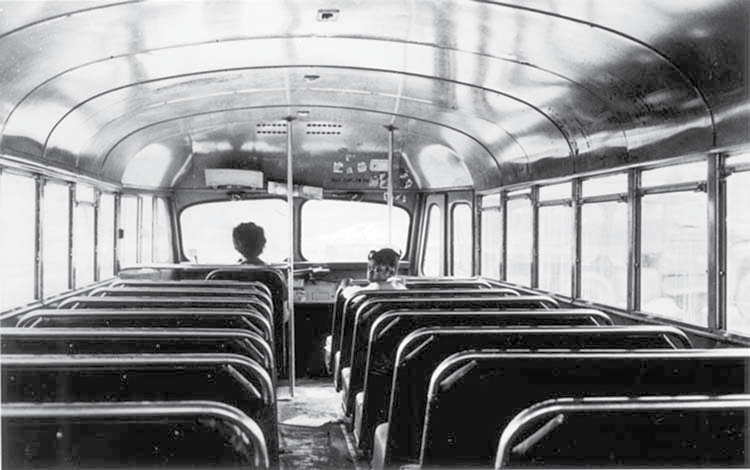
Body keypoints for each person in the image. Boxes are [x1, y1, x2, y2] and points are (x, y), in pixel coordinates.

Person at [340, 247, 406, 298]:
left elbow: (353, 294)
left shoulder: (376, 288)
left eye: (376, 270)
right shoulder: (399, 286)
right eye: (369, 268)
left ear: (389, 272)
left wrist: (345, 286)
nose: (371, 272)